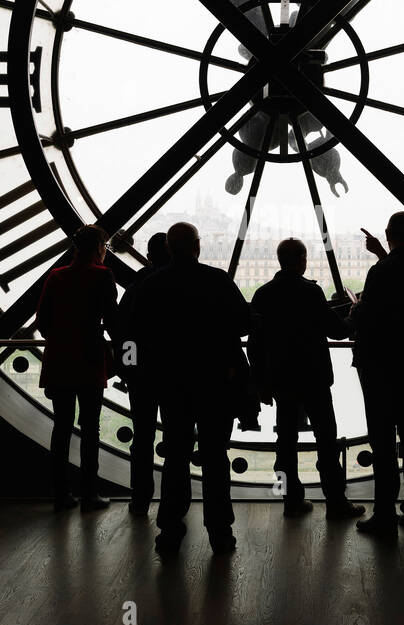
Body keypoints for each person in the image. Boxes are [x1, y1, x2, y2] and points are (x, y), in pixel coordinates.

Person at [128, 222, 251, 555]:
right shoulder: (217, 280)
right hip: (214, 383)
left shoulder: (152, 285)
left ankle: (170, 528)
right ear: (198, 245)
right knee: (214, 458)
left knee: (176, 456)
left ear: (168, 247)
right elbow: (244, 323)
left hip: (172, 383)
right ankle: (220, 531)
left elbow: (136, 333)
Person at [249, 238, 364, 521]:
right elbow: (336, 331)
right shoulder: (311, 292)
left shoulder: (263, 295)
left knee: (284, 442)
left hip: (281, 380)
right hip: (313, 377)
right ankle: (336, 501)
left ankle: (290, 499)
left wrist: (262, 382)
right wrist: (354, 315)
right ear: (301, 259)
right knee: (326, 440)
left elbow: (255, 344)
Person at [348, 211, 404, 537]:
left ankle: (385, 512)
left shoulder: (379, 272)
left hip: (379, 366)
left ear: (388, 234)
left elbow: (369, 316)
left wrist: (357, 308)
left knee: (382, 442)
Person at [36, 223, 119, 512]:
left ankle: (61, 494)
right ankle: (89, 494)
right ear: (99, 248)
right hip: (89, 361)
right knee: (90, 429)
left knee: (61, 428)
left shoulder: (56, 277)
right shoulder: (103, 276)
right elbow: (113, 321)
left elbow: (43, 323)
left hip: (60, 360)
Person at [117, 232, 170, 517]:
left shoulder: (137, 286)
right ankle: (174, 500)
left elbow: (123, 330)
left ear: (149, 257)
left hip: (142, 375)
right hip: (176, 374)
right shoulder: (181, 285)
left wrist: (128, 367)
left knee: (143, 437)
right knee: (177, 438)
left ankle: (140, 499)